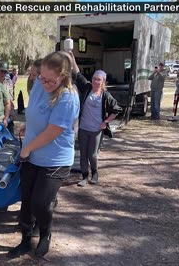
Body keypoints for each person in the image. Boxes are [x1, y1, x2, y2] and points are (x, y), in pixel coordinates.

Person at [8, 51, 79, 258]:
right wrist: (28, 126)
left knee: (40, 202)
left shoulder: (68, 96)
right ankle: (25, 240)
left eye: (50, 80)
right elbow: (36, 110)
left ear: (63, 77)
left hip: (55, 159)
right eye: (42, 77)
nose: (44, 83)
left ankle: (45, 233)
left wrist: (27, 148)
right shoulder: (40, 83)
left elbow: (52, 131)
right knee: (26, 201)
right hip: (32, 155)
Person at [69, 53, 122, 187]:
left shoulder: (106, 96)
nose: (96, 82)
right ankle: (84, 177)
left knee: (92, 155)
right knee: (82, 154)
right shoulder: (87, 88)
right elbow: (77, 73)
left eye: (99, 80)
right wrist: (72, 58)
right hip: (83, 128)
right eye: (94, 79)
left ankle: (95, 173)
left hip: (96, 130)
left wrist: (105, 122)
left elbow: (116, 110)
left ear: (103, 82)